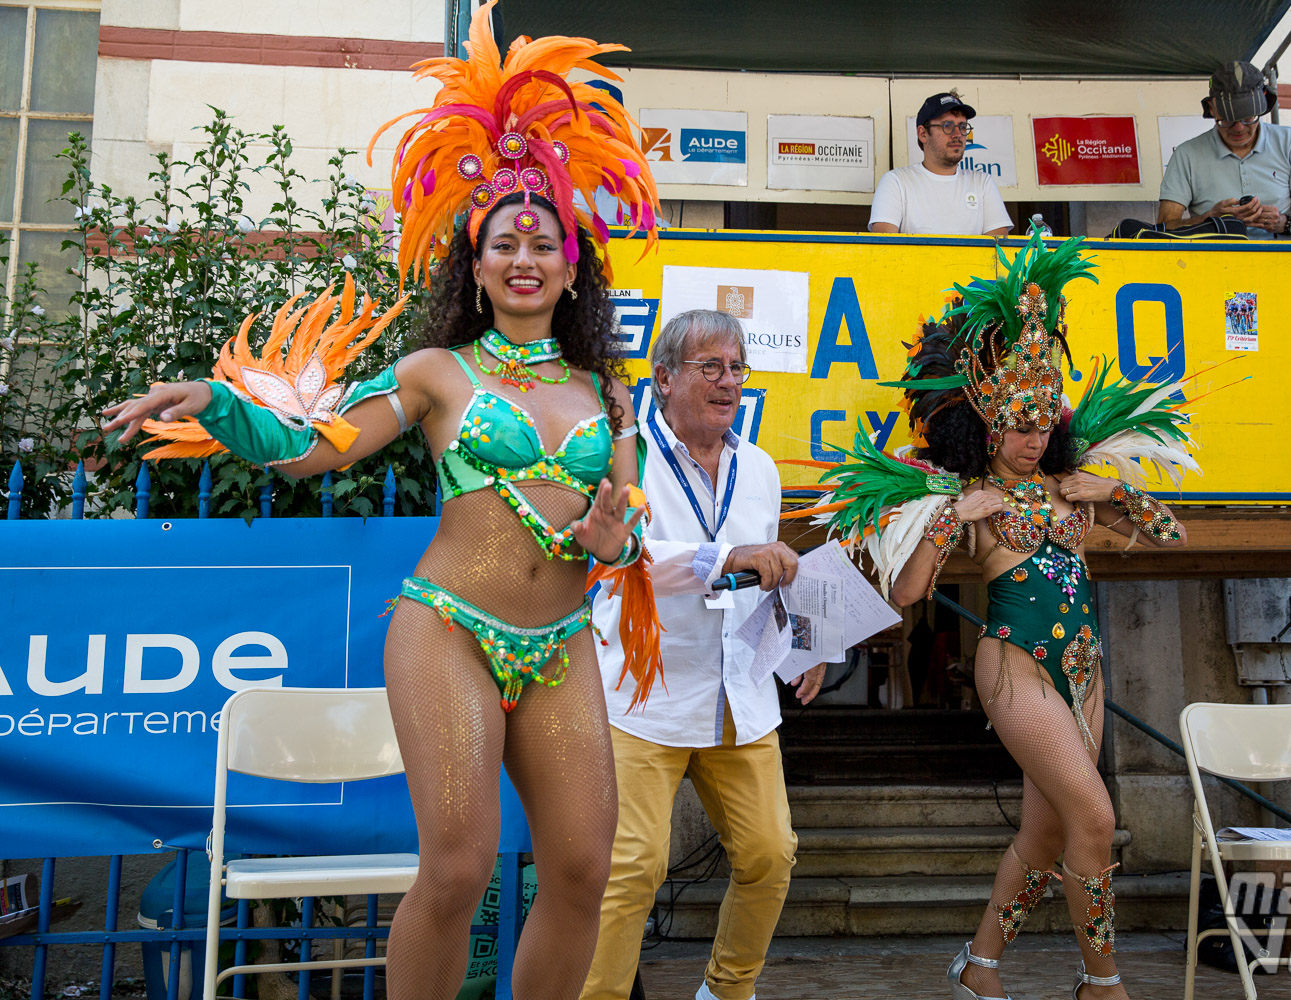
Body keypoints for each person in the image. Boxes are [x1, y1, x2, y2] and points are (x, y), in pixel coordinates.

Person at [101, 12, 665, 1000]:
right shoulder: (436, 371)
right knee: (457, 866)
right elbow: (316, 451)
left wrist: (613, 539)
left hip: (561, 634)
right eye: (502, 243)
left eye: (543, 240)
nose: (524, 254)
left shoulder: (609, 393)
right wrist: (222, 406)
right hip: (446, 626)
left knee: (583, 867)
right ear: (477, 268)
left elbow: (623, 524)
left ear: (573, 268)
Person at [803, 233, 1198, 1000]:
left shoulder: (1072, 486)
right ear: (987, 423)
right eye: (1020, 426)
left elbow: (1176, 533)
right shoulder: (965, 498)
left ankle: (980, 968)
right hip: (1015, 667)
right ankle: (1102, 982)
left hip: (1083, 670)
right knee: (1095, 817)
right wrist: (955, 516)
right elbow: (911, 593)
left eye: (1045, 424)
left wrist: (1114, 496)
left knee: (1046, 833)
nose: (1033, 440)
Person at [583, 309, 827, 1000]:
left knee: (770, 855)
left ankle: (726, 992)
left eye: (737, 368)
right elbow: (620, 558)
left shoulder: (760, 469)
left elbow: (767, 575)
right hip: (643, 695)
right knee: (630, 868)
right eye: (710, 367)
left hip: (739, 695)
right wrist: (725, 554)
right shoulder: (623, 455)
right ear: (663, 379)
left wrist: (801, 644)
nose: (729, 382)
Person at [1159, 61, 1291, 240]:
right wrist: (1210, 220)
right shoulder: (1187, 155)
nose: (1239, 128)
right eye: (1227, 120)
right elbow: (1165, 227)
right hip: (1212, 264)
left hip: (1278, 263)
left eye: (1248, 118)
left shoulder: (1290, 142)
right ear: (1211, 109)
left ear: (1262, 101)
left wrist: (1284, 223)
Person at [869, 91, 1013, 237]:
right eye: (947, 125)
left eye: (962, 126)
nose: (957, 134)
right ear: (923, 134)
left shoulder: (982, 183)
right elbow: (884, 247)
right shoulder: (896, 181)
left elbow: (998, 248)